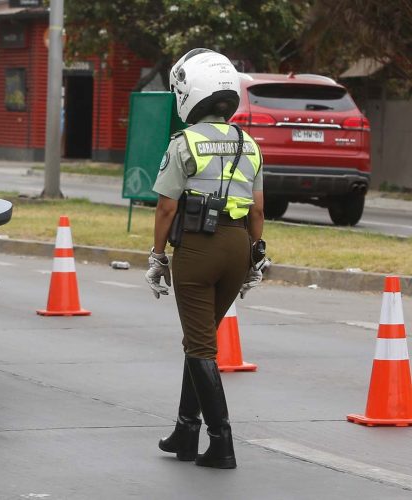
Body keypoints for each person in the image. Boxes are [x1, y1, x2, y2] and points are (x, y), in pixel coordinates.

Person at [144, 48, 266, 469]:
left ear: (189, 94)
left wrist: (158, 257)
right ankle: (184, 431)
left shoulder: (185, 142)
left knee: (200, 347)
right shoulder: (249, 143)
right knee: (201, 342)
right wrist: (255, 257)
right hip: (238, 249)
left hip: (198, 248)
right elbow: (257, 210)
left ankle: (221, 442)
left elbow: (166, 208)